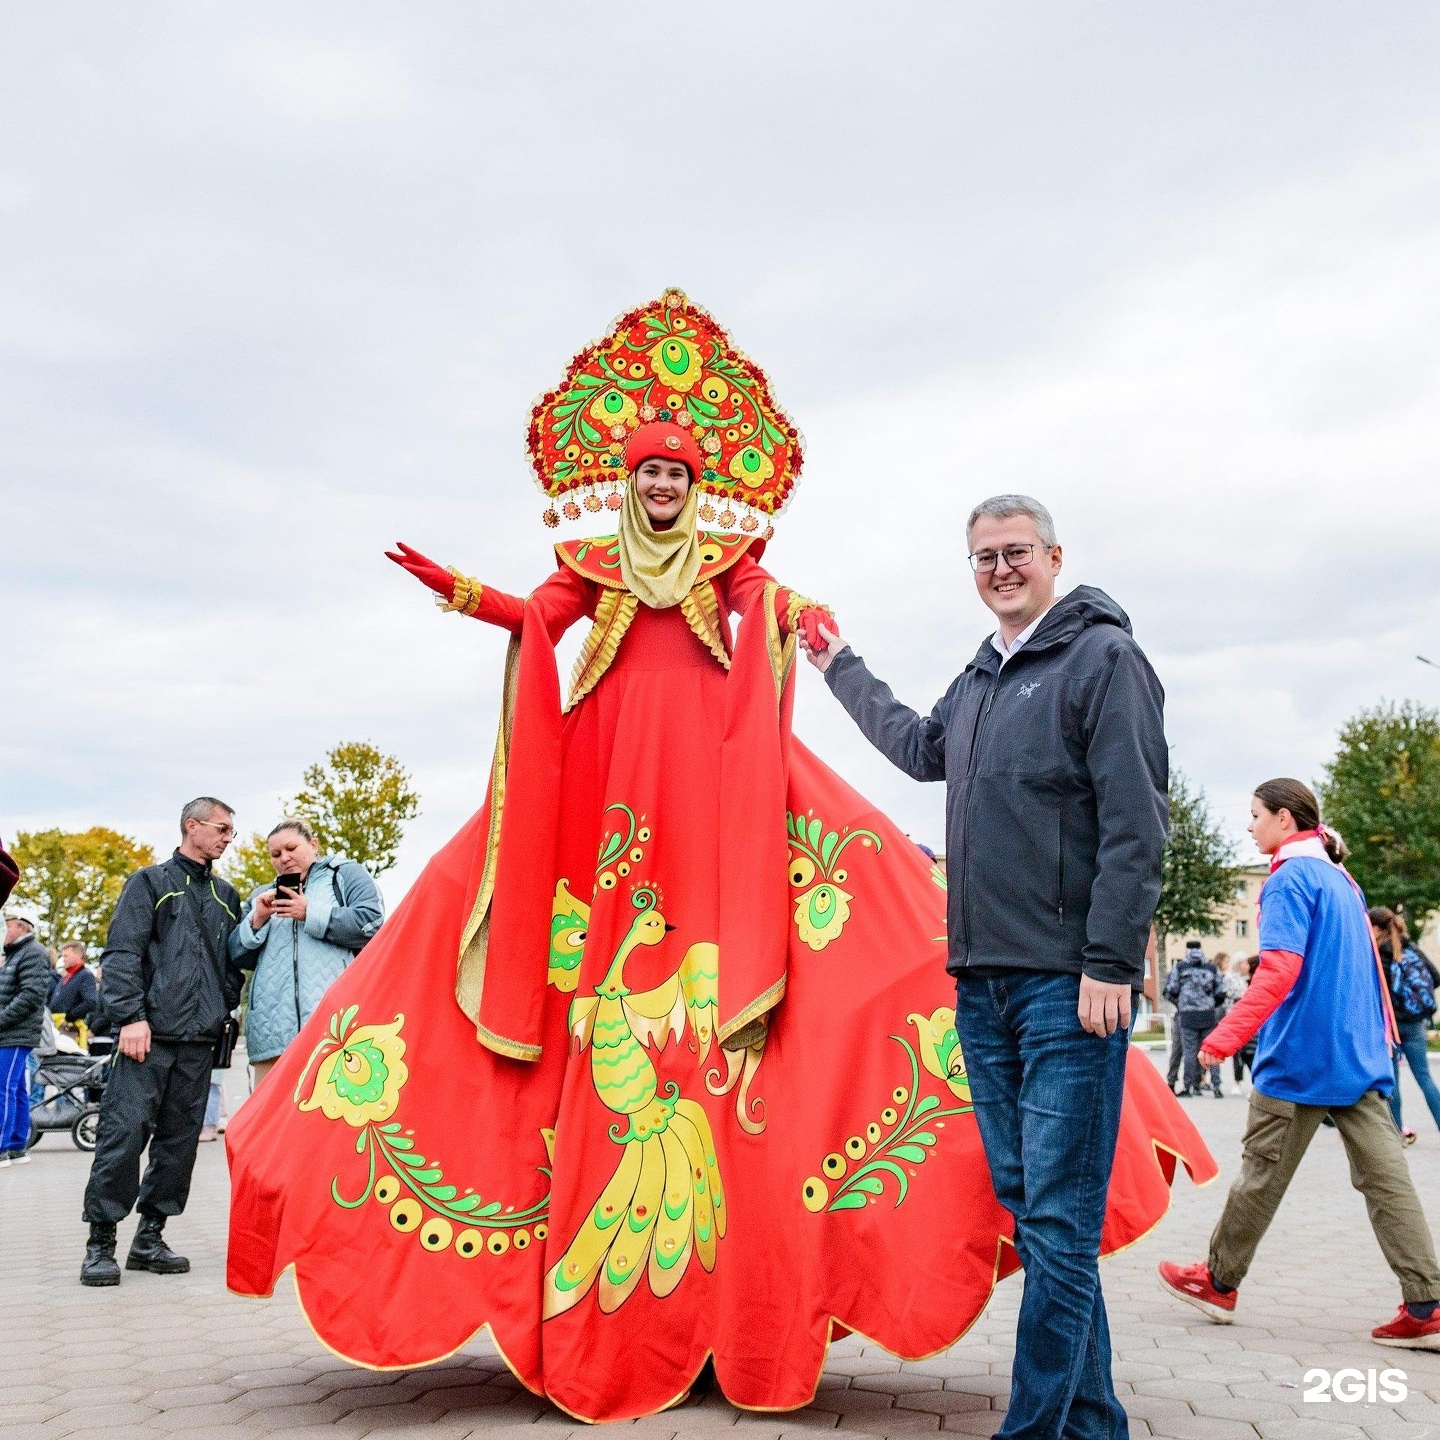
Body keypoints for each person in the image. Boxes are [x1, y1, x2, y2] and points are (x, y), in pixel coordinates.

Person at [224, 294, 1212, 1425]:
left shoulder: (747, 567)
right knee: (475, 939)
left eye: (677, 477)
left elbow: (773, 606)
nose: (661, 491)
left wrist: (811, 624)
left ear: (700, 488)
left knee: (864, 938)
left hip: (720, 791)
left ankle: (1045, 1401)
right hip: (603, 792)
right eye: (646, 474)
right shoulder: (591, 564)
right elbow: (534, 617)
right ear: (625, 479)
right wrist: (457, 590)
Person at [806, 491, 1170, 1438]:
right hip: (983, 985)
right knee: (1034, 1209)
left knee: (1057, 1219)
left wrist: (1110, 961)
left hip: (1066, 988)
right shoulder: (979, 682)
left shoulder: (1104, 659)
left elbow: (1137, 826)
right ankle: (1091, 1421)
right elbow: (920, 750)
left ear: (1055, 556)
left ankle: (1036, 1427)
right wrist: (837, 663)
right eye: (983, 558)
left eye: (1015, 552)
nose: (1001, 569)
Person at [1158, 779, 1440, 1350]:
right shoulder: (1341, 881)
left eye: (1255, 815)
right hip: (1357, 1060)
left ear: (1284, 820)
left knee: (1261, 1176)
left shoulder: (1289, 879)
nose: (1249, 826)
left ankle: (1217, 1282)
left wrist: (1225, 1036)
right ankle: (1427, 1305)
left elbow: (1280, 969)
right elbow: (1366, 977)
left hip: (1298, 1060)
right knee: (1388, 1183)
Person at [79, 797, 243, 1286]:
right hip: (145, 1038)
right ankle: (100, 1243)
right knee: (123, 1136)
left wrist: (221, 1008)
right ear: (191, 825)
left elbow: (232, 965)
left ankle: (150, 1238)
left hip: (199, 1041)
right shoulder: (148, 883)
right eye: (222, 828)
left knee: (179, 1146)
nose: (227, 838)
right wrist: (130, 1016)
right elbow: (122, 953)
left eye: (231, 831)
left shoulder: (227, 896)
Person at [229, 819, 383, 1087]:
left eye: (291, 848)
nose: (284, 858)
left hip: (335, 1026)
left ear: (313, 845)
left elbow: (371, 922)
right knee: (272, 1124)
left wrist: (310, 913)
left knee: (333, 1117)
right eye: (275, 854)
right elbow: (237, 955)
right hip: (272, 1033)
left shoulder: (345, 875)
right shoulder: (262, 896)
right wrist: (258, 920)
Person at [1370, 906, 1440, 1142]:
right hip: (1415, 1023)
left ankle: (1397, 1134)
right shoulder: (1411, 948)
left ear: (1378, 928)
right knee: (1425, 1078)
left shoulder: (1377, 954)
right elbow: (1436, 977)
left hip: (1390, 1026)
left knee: (1393, 1081)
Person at [1, 905, 53, 1165]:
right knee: (16, 1089)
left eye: (8, 924)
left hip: (14, 1033)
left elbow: (31, 995)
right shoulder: (17, 953)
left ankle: (2, 1148)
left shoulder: (32, 953)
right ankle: (16, 1145)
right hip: (12, 1032)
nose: (4, 930)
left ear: (23, 926)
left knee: (4, 1090)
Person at [1163, 941, 1225, 1098]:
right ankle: (1216, 1086)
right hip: (1208, 1013)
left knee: (1189, 1052)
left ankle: (1188, 1086)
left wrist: (1181, 1004)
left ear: (1187, 949)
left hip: (1187, 1014)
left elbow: (1171, 989)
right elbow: (1221, 991)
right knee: (1210, 1049)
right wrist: (1210, 1004)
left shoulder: (1180, 967)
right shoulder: (1211, 967)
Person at [53, 942, 99, 1035]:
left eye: (66, 956)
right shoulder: (66, 976)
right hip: (56, 1028)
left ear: (78, 955)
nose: (63, 960)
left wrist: (70, 1016)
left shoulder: (85, 975)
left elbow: (91, 1002)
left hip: (69, 1030)